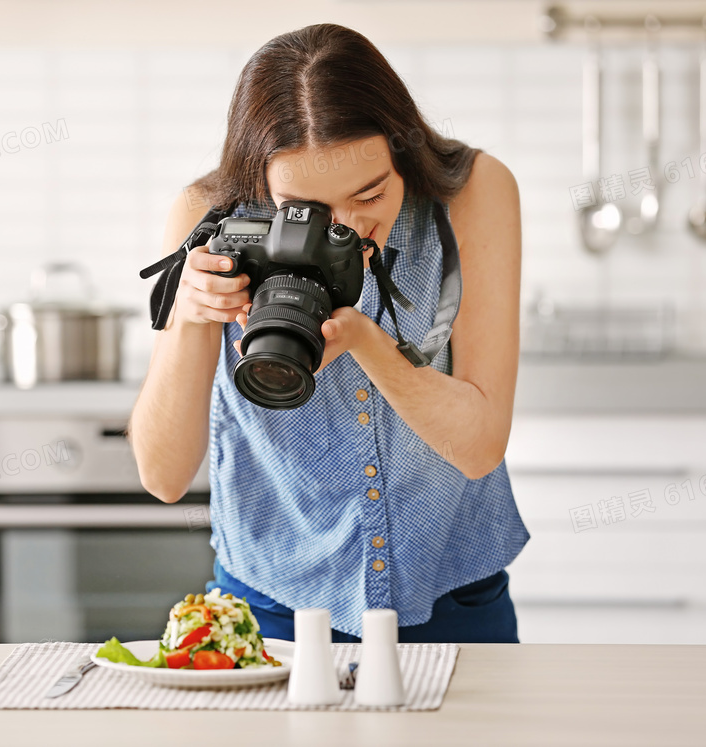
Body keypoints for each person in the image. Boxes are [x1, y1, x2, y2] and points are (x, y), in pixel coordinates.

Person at [128, 23, 529, 643]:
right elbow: (163, 474)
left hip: (453, 602)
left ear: (402, 151)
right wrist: (190, 312)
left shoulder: (473, 193)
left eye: (369, 193)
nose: (347, 228)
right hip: (272, 611)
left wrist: (368, 343)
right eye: (307, 212)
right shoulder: (210, 216)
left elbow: (478, 445)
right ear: (261, 187)